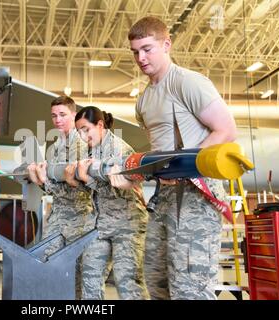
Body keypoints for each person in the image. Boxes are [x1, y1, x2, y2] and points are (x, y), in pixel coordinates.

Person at [111, 16, 237, 300]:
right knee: (157, 283)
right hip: (165, 198)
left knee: (190, 289)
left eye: (147, 49)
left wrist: (184, 164)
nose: (140, 58)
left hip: (196, 195)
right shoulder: (144, 100)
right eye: (135, 52)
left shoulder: (187, 83)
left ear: (166, 44)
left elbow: (227, 130)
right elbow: (159, 150)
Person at [70, 106, 149, 300]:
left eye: (86, 129)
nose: (82, 135)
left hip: (127, 224)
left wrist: (87, 179)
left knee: (128, 283)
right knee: (89, 278)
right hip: (101, 224)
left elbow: (118, 189)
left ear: (100, 125)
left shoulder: (120, 149)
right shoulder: (92, 151)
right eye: (79, 131)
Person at [27, 95, 93, 299]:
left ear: (74, 115)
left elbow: (82, 189)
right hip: (57, 218)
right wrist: (41, 182)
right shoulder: (53, 148)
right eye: (54, 116)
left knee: (78, 273)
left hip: (79, 218)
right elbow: (52, 189)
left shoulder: (83, 145)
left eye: (63, 115)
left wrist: (45, 181)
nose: (57, 120)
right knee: (50, 267)